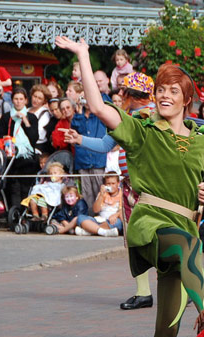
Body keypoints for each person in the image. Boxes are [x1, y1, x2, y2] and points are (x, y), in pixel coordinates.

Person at [55, 36, 204, 337]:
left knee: (167, 331)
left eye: (173, 91)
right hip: (151, 224)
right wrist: (84, 56)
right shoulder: (142, 130)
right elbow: (99, 107)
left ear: (187, 100)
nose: (164, 95)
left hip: (185, 234)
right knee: (184, 245)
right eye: (160, 90)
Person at [61, 71, 157, 314]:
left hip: (152, 186)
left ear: (132, 95)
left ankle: (179, 287)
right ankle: (144, 292)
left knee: (157, 238)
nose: (120, 95)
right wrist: (80, 139)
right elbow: (106, 144)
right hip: (131, 187)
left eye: (124, 91)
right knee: (136, 240)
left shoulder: (154, 116)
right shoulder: (126, 117)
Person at [0, 88, 39, 208]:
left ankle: (25, 211)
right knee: (13, 187)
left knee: (26, 187)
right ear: (12, 100)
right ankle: (14, 212)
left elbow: (34, 138)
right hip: (12, 156)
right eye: (16, 99)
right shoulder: (6, 117)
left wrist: (25, 121)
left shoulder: (32, 117)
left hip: (27, 157)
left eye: (21, 99)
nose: (18, 102)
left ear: (26, 100)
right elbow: (0, 135)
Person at [71, 98, 108, 209]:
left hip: (98, 159)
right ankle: (88, 216)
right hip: (82, 159)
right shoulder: (78, 116)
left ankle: (102, 215)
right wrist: (79, 114)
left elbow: (106, 101)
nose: (86, 101)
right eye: (83, 99)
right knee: (86, 193)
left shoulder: (100, 115)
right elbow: (76, 131)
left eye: (88, 97)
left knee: (100, 190)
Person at [75, 172, 123, 236]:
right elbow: (95, 210)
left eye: (113, 183)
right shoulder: (102, 193)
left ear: (118, 183)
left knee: (119, 223)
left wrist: (116, 215)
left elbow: (124, 210)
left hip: (112, 221)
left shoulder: (122, 194)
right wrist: (101, 195)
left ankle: (90, 231)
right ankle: (103, 232)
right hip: (100, 220)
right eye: (108, 184)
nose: (111, 186)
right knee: (80, 218)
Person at [28, 84, 53, 156]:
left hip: (38, 147)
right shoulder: (27, 110)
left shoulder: (44, 114)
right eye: (34, 96)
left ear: (44, 101)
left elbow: (40, 134)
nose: (36, 100)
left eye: (39, 98)